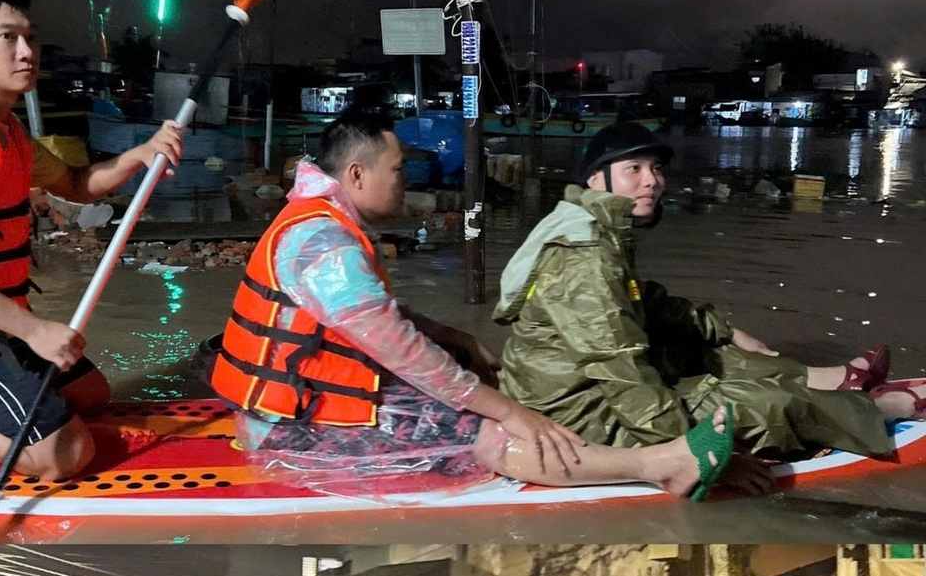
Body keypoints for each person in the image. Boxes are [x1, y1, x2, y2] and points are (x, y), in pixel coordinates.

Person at [209, 109, 759, 503]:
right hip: (290, 424)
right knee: (495, 431)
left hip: (303, 396)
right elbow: (397, 348)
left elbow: (373, 321)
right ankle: (661, 466)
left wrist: (460, 338)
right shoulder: (325, 244)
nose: (407, 180)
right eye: (399, 169)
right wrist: (509, 410)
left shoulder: (320, 220)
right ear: (357, 175)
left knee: (475, 382)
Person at [498, 122, 922, 466]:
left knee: (706, 349)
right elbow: (620, 372)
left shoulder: (594, 228)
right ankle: (884, 410)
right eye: (635, 170)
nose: (652, 182)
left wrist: (727, 331)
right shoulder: (583, 256)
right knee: (762, 407)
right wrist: (692, 457)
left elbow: (645, 302)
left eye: (656, 170)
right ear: (596, 178)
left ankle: (832, 382)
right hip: (576, 413)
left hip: (578, 382)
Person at [0, 0, 185, 482]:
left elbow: (76, 185)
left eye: (30, 38)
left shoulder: (9, 131)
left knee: (92, 394)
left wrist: (137, 155)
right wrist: (34, 330)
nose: (27, 52)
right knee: (65, 457)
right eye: (7, 38)